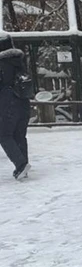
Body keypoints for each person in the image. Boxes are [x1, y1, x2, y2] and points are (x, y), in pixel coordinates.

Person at [0, 34, 33, 180]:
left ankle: (20, 164)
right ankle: (23, 166)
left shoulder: (2, 63)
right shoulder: (19, 60)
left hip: (7, 102)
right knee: (19, 135)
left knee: (4, 135)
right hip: (23, 101)